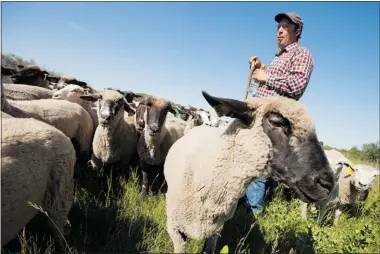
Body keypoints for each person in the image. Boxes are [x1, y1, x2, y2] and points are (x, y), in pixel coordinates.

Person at [245, 12, 315, 215]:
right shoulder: (280, 57)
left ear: (297, 31)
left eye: (285, 27)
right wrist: (260, 68)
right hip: (259, 117)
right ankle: (243, 212)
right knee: (249, 164)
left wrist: (266, 77)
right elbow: (276, 81)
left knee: (259, 167)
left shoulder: (302, 54)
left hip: (272, 122)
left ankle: (251, 223)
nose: (280, 31)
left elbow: (296, 86)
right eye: (278, 27)